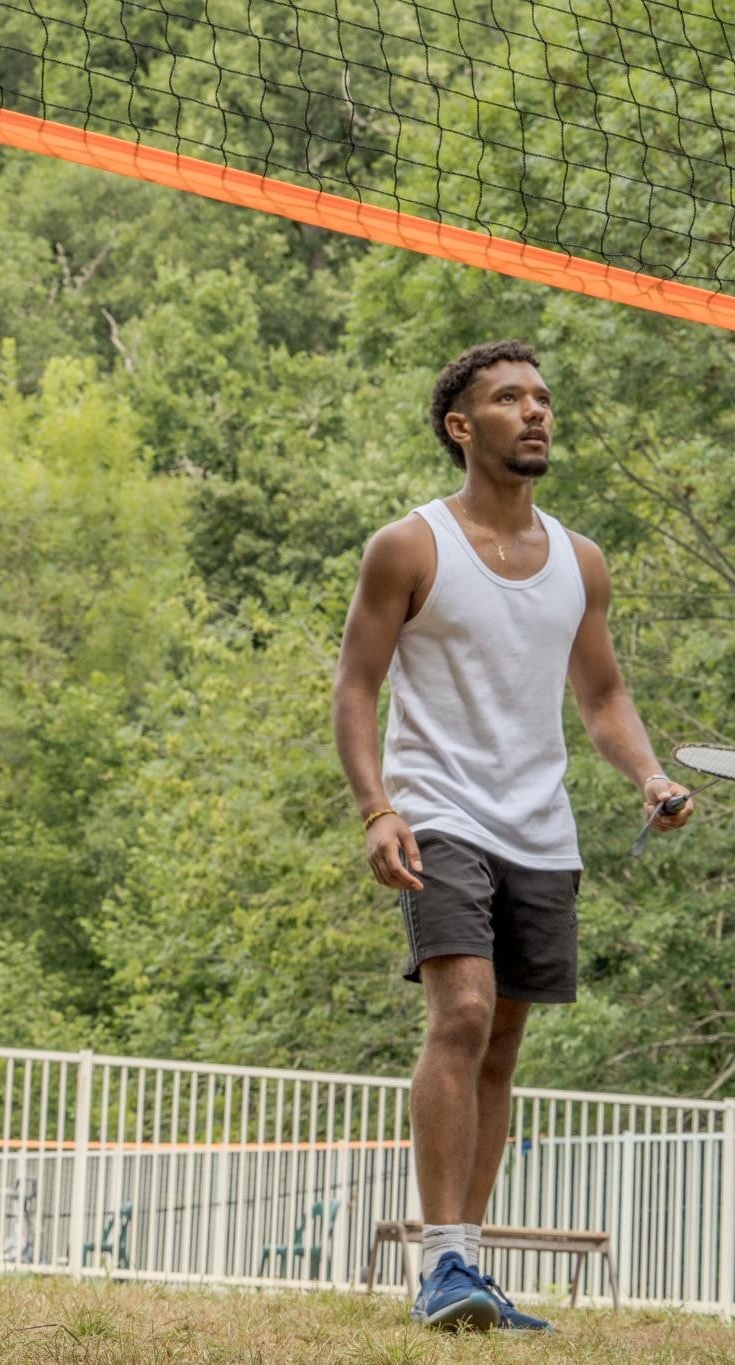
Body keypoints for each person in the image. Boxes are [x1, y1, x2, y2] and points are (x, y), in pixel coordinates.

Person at [333, 340, 693, 1332]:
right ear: (461, 426)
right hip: (436, 811)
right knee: (459, 1013)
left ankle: (468, 1265)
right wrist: (375, 809)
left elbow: (602, 694)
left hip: (539, 829)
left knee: (497, 1043)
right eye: (507, 399)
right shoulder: (407, 548)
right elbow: (355, 688)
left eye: (540, 397)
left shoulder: (578, 561)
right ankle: (440, 1264)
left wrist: (649, 775)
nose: (534, 412)